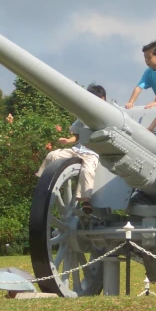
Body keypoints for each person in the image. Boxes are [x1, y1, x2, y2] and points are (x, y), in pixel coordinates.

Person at [35, 84, 106, 215]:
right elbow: (77, 136)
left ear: (102, 99)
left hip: (93, 153)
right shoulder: (83, 116)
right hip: (78, 149)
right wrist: (68, 141)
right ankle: (42, 184)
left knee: (88, 170)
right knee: (53, 155)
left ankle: (86, 200)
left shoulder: (107, 117)